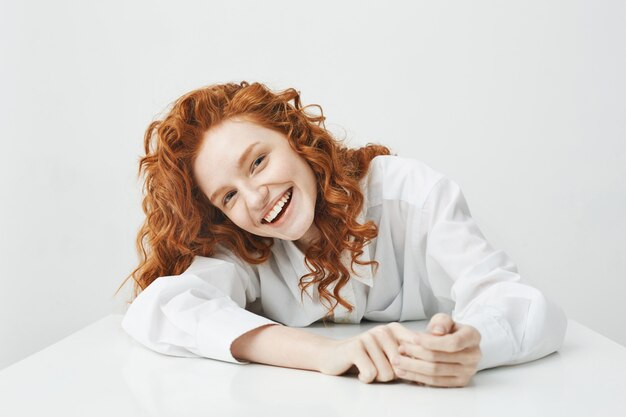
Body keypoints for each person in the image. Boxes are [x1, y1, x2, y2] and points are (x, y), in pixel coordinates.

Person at [118, 81, 567, 387]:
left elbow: (526, 307)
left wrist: (473, 346)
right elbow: (162, 309)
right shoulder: (244, 243)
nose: (255, 200)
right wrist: (321, 354)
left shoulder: (408, 194)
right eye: (229, 196)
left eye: (257, 162)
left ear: (296, 137)